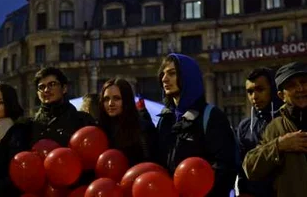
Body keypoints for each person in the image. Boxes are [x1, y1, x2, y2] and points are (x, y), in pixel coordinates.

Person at [156, 53, 237, 197]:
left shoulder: (212, 116)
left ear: (188, 77)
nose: (164, 79)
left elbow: (225, 166)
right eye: (163, 74)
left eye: (172, 73)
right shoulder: (165, 118)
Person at [243, 62, 307, 196]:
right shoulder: (275, 127)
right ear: (281, 96)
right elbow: (250, 167)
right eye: (291, 85)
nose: (300, 88)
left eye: (303, 82)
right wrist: (278, 146)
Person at [235, 68, 282, 197]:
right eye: (250, 92)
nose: (254, 97)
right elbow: (240, 165)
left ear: (272, 89)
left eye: (260, 89)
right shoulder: (244, 126)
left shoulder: (286, 121)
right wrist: (243, 190)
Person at [30, 67, 95, 147]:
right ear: (38, 93)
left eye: (52, 84)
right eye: (42, 87)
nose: (46, 90)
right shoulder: (31, 126)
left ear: (64, 88)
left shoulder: (83, 120)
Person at [98, 78, 157, 165]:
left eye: (116, 98)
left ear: (126, 100)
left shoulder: (143, 129)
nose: (110, 103)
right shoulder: (100, 130)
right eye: (106, 99)